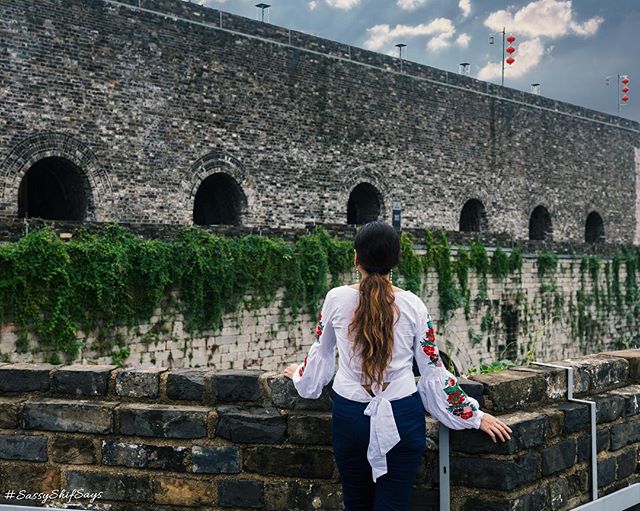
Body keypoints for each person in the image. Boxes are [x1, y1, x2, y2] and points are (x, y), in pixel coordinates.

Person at [282, 220, 512, 511]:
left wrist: (299, 376)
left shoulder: (336, 299)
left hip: (350, 417)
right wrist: (473, 415)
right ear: (396, 261)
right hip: (402, 416)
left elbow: (321, 356)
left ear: (356, 259)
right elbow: (432, 370)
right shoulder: (414, 305)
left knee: (356, 504)